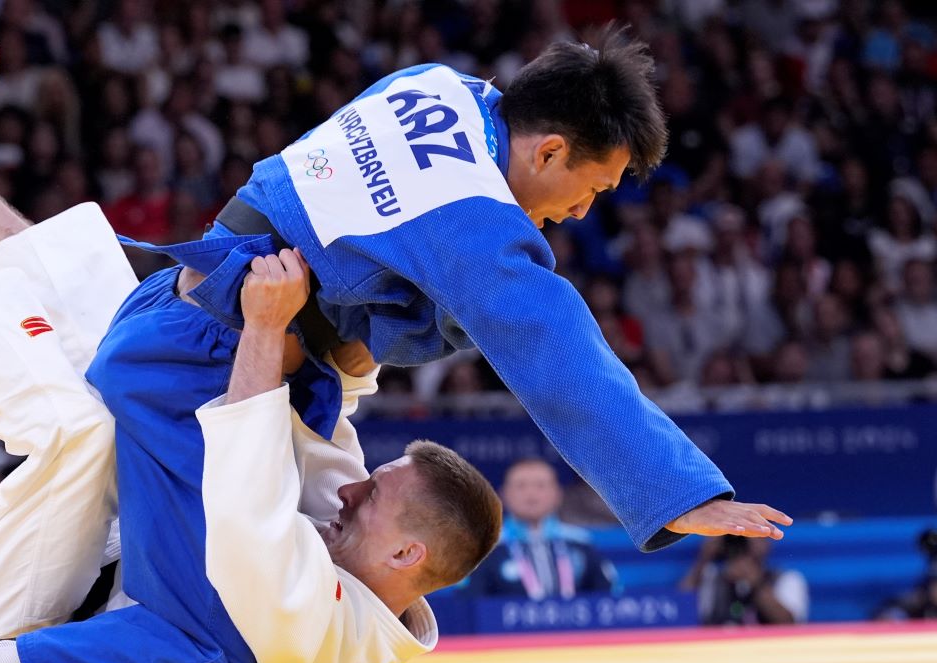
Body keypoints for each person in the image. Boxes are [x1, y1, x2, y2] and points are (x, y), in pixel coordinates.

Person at [0, 54, 502, 663]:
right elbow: (321, 432)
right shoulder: (362, 562)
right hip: (113, 556)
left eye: (373, 495)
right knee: (144, 348)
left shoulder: (306, 625)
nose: (353, 491)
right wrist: (360, 333)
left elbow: (244, 501)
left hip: (25, 628)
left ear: (407, 554)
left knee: (82, 430)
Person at [115, 25, 792, 554]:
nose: (583, 212)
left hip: (210, 307)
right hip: (215, 361)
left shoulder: (436, 84)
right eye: (592, 189)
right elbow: (559, 352)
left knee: (317, 576)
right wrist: (679, 496)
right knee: (204, 611)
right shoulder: (471, 215)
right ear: (549, 151)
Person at [471, 459, 617, 600]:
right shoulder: (487, 547)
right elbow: (470, 605)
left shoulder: (580, 542)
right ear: (503, 494)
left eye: (540, 485)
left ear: (558, 494)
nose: (531, 494)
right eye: (521, 486)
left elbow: (608, 596)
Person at [679, 536, 809, 625]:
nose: (743, 540)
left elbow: (790, 624)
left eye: (752, 534)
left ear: (767, 543)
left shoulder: (787, 578)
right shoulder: (711, 577)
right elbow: (680, 608)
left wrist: (756, 583)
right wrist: (705, 557)